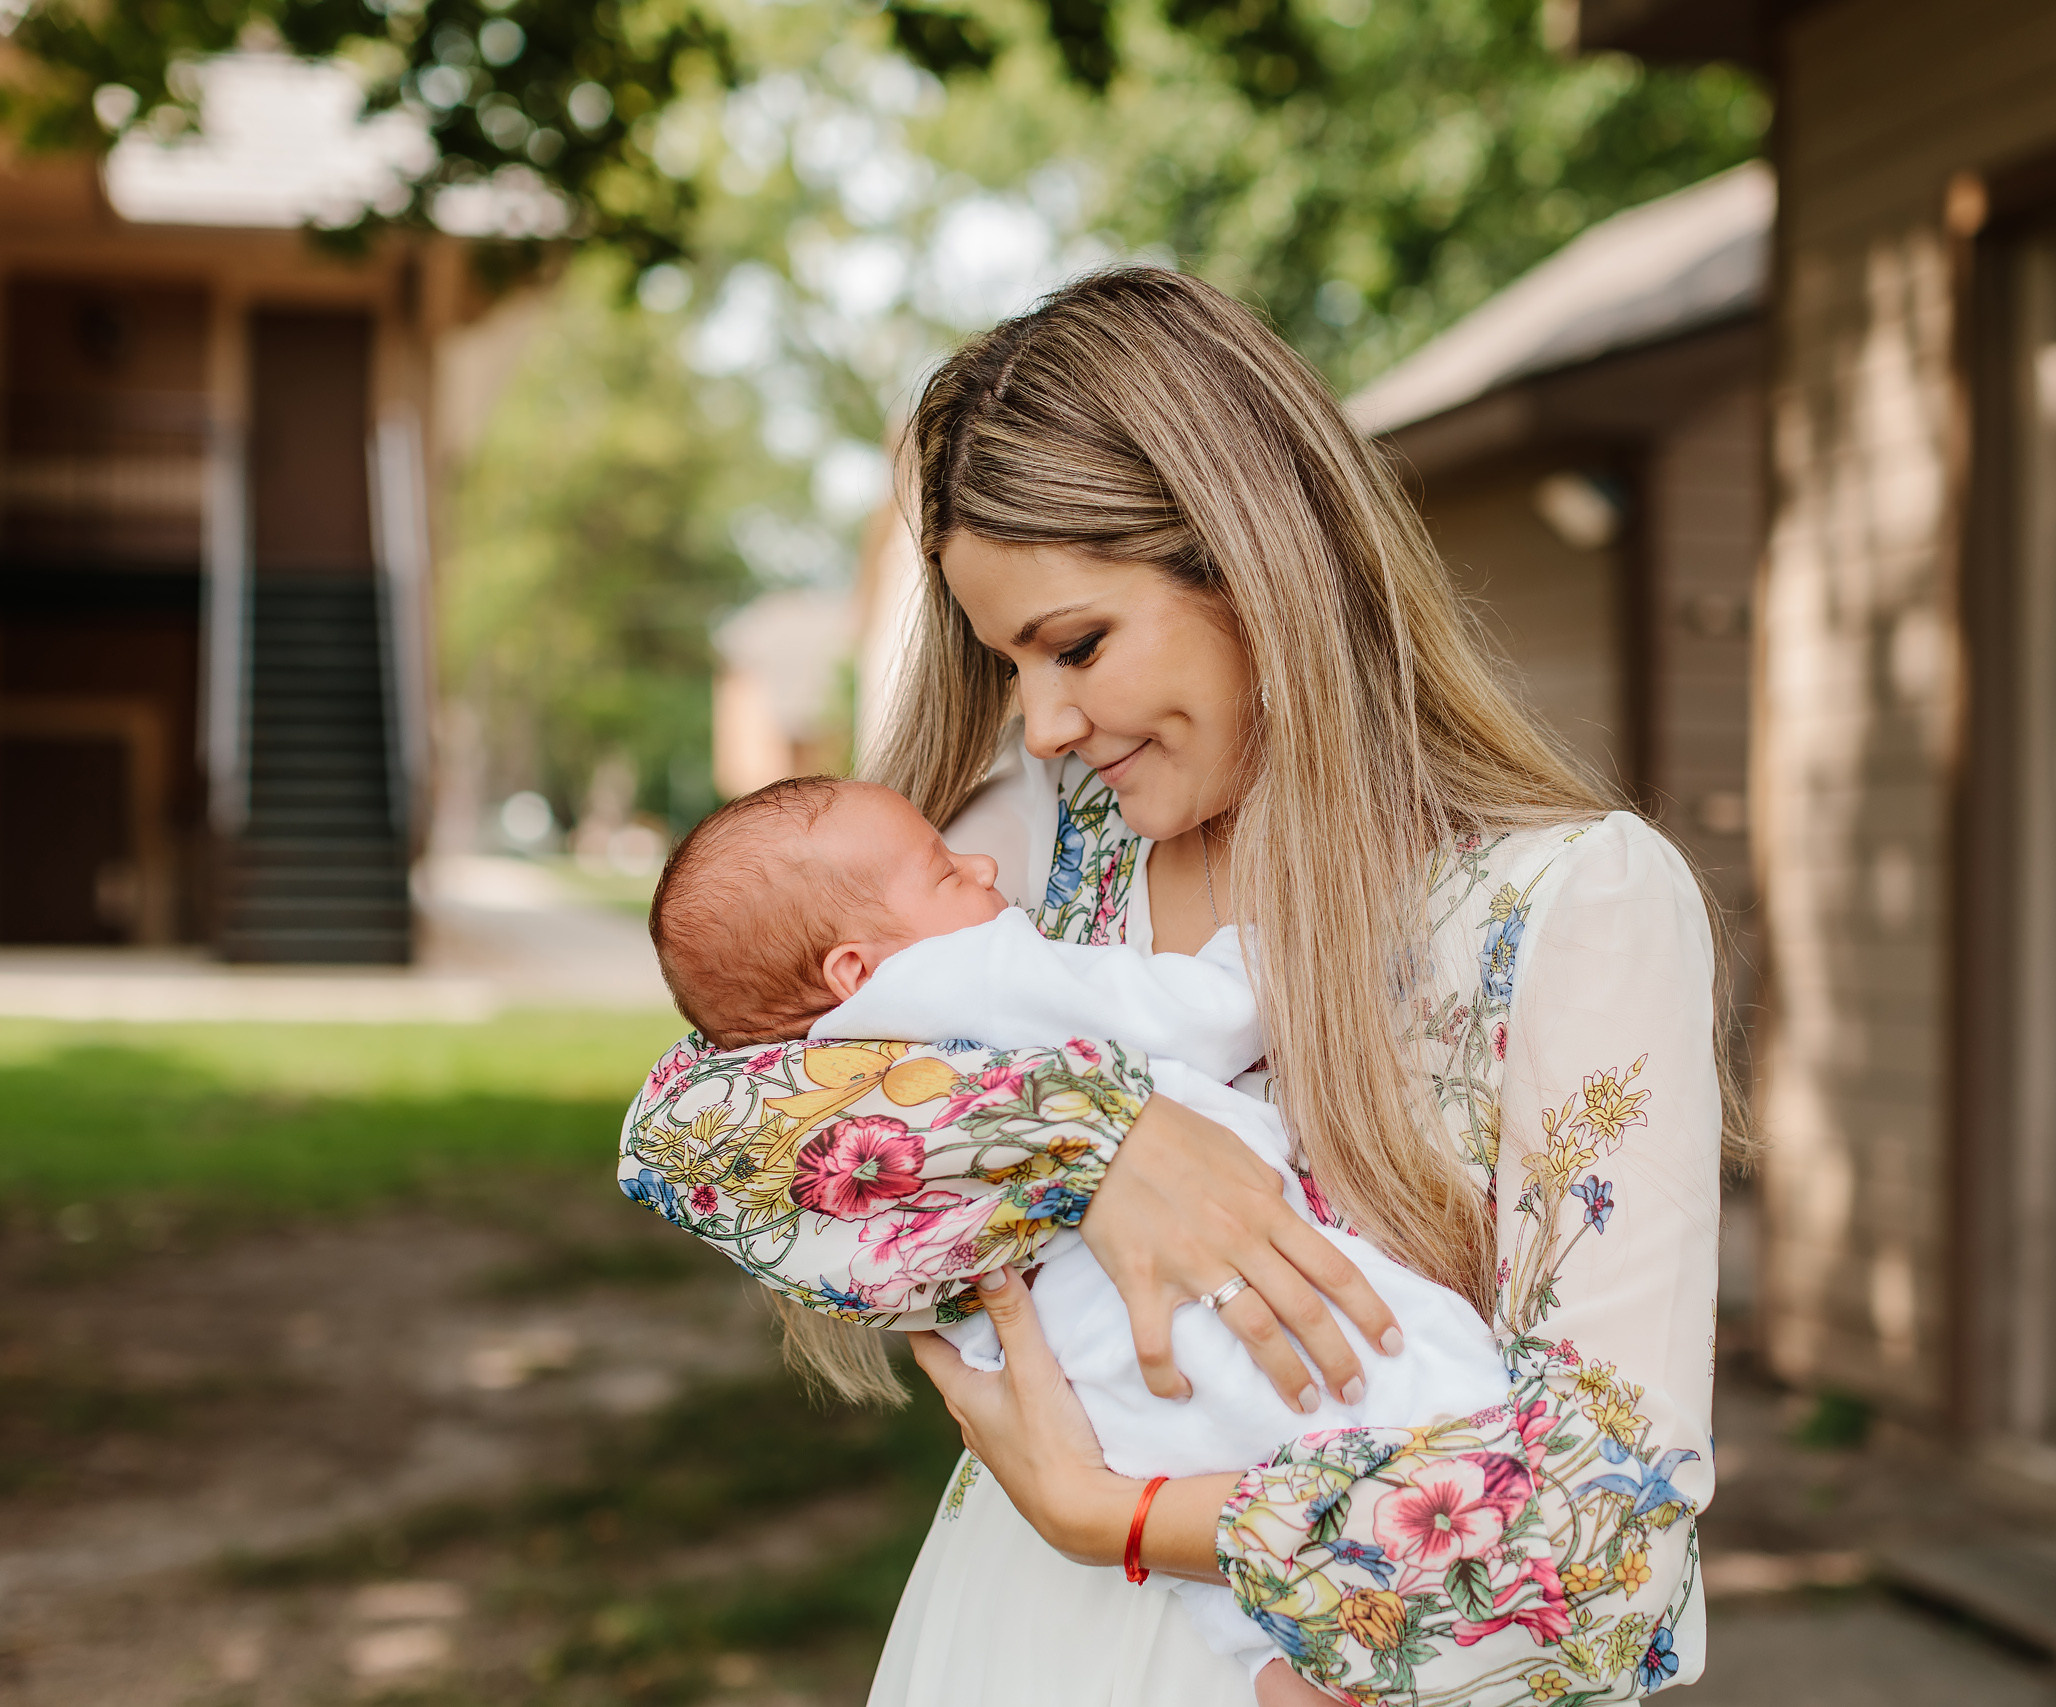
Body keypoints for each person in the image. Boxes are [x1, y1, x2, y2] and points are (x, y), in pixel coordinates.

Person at [617, 266, 1738, 1705]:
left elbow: (1610, 1521)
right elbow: (687, 1131)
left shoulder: (1566, 901)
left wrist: (1121, 1518)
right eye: (1008, 660)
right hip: (1012, 1640)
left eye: (1077, 643)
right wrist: (1096, 1140)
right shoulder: (1026, 854)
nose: (1046, 717)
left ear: (1256, 561)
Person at [635, 773, 1511, 1695]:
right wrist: (1288, 936)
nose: (980, 866)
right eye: (942, 870)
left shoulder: (813, 1074)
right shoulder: (954, 974)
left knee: (1215, 1483)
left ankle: (1279, 1662)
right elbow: (1199, 1018)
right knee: (1435, 1391)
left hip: (1088, 1378)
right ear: (857, 970)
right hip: (1192, 1303)